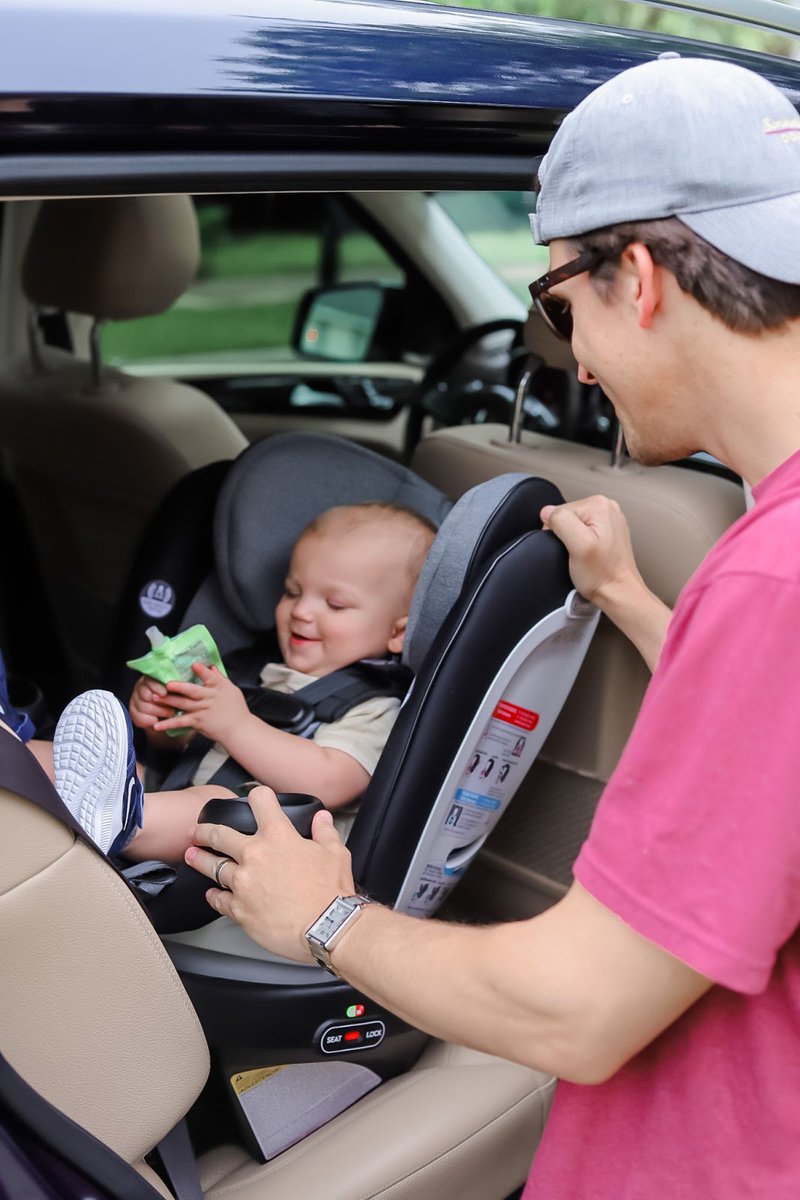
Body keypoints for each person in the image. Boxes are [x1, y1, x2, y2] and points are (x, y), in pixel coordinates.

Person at [184, 55, 800, 1197]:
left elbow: (577, 1012)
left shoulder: (772, 579)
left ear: (635, 279)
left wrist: (323, 917)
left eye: (558, 305)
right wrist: (630, 601)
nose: (574, 362)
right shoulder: (771, 575)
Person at [50, 501, 436, 862]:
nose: (301, 611)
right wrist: (163, 717)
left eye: (335, 604)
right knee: (81, 760)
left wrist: (235, 724)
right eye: (292, 592)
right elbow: (186, 744)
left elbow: (329, 781)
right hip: (170, 794)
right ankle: (26, 767)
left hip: (254, 849)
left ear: (398, 633)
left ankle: (117, 818)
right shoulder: (253, 670)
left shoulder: (376, 708)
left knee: (217, 802)